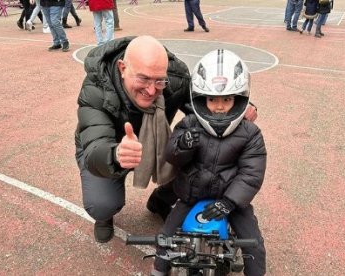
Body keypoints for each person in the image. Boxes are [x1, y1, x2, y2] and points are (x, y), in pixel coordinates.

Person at [75, 36, 258, 244]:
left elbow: (204, 106)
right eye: (143, 79)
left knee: (196, 150)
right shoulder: (96, 88)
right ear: (122, 68)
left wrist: (240, 109)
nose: (152, 90)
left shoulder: (175, 76)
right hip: (109, 149)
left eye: (158, 81)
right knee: (102, 204)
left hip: (155, 144)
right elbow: (94, 146)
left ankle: (161, 200)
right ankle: (104, 218)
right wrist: (115, 154)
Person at [152, 49, 267, 276]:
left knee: (253, 243)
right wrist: (183, 146)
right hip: (191, 193)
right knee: (165, 237)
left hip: (230, 200)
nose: (220, 106)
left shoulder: (250, 133)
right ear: (201, 98)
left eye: (227, 99)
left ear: (240, 98)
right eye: (212, 99)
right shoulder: (188, 123)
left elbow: (251, 174)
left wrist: (230, 202)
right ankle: (158, 270)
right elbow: (171, 157)